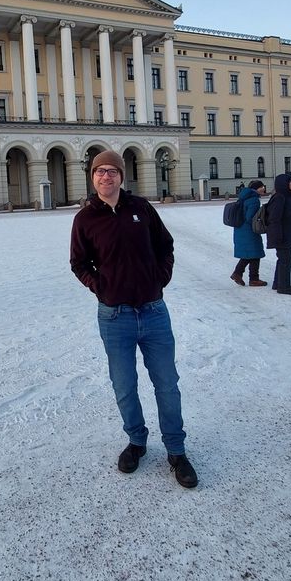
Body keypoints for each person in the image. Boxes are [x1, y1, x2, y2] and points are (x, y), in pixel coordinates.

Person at [70, 150, 198, 489]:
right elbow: (78, 263)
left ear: (121, 176)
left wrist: (160, 278)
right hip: (115, 317)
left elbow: (165, 246)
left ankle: (176, 450)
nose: (106, 176)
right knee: (124, 385)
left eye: (112, 171)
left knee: (167, 384)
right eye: (100, 171)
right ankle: (137, 440)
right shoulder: (85, 219)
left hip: (153, 312)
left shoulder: (141, 208)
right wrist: (101, 287)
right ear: (92, 177)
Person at [266, 173, 291, 295]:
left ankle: (278, 283)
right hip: (281, 235)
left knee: (284, 260)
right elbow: (274, 219)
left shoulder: (286, 196)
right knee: (285, 260)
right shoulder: (280, 198)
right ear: (284, 184)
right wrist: (277, 236)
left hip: (286, 234)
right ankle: (283, 286)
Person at [230, 180, 267, 287]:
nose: (263, 189)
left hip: (240, 229)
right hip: (249, 230)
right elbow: (250, 217)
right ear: (256, 189)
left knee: (251, 253)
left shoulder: (243, 197)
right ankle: (252, 278)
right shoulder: (254, 200)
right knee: (255, 253)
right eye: (261, 187)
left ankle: (240, 274)